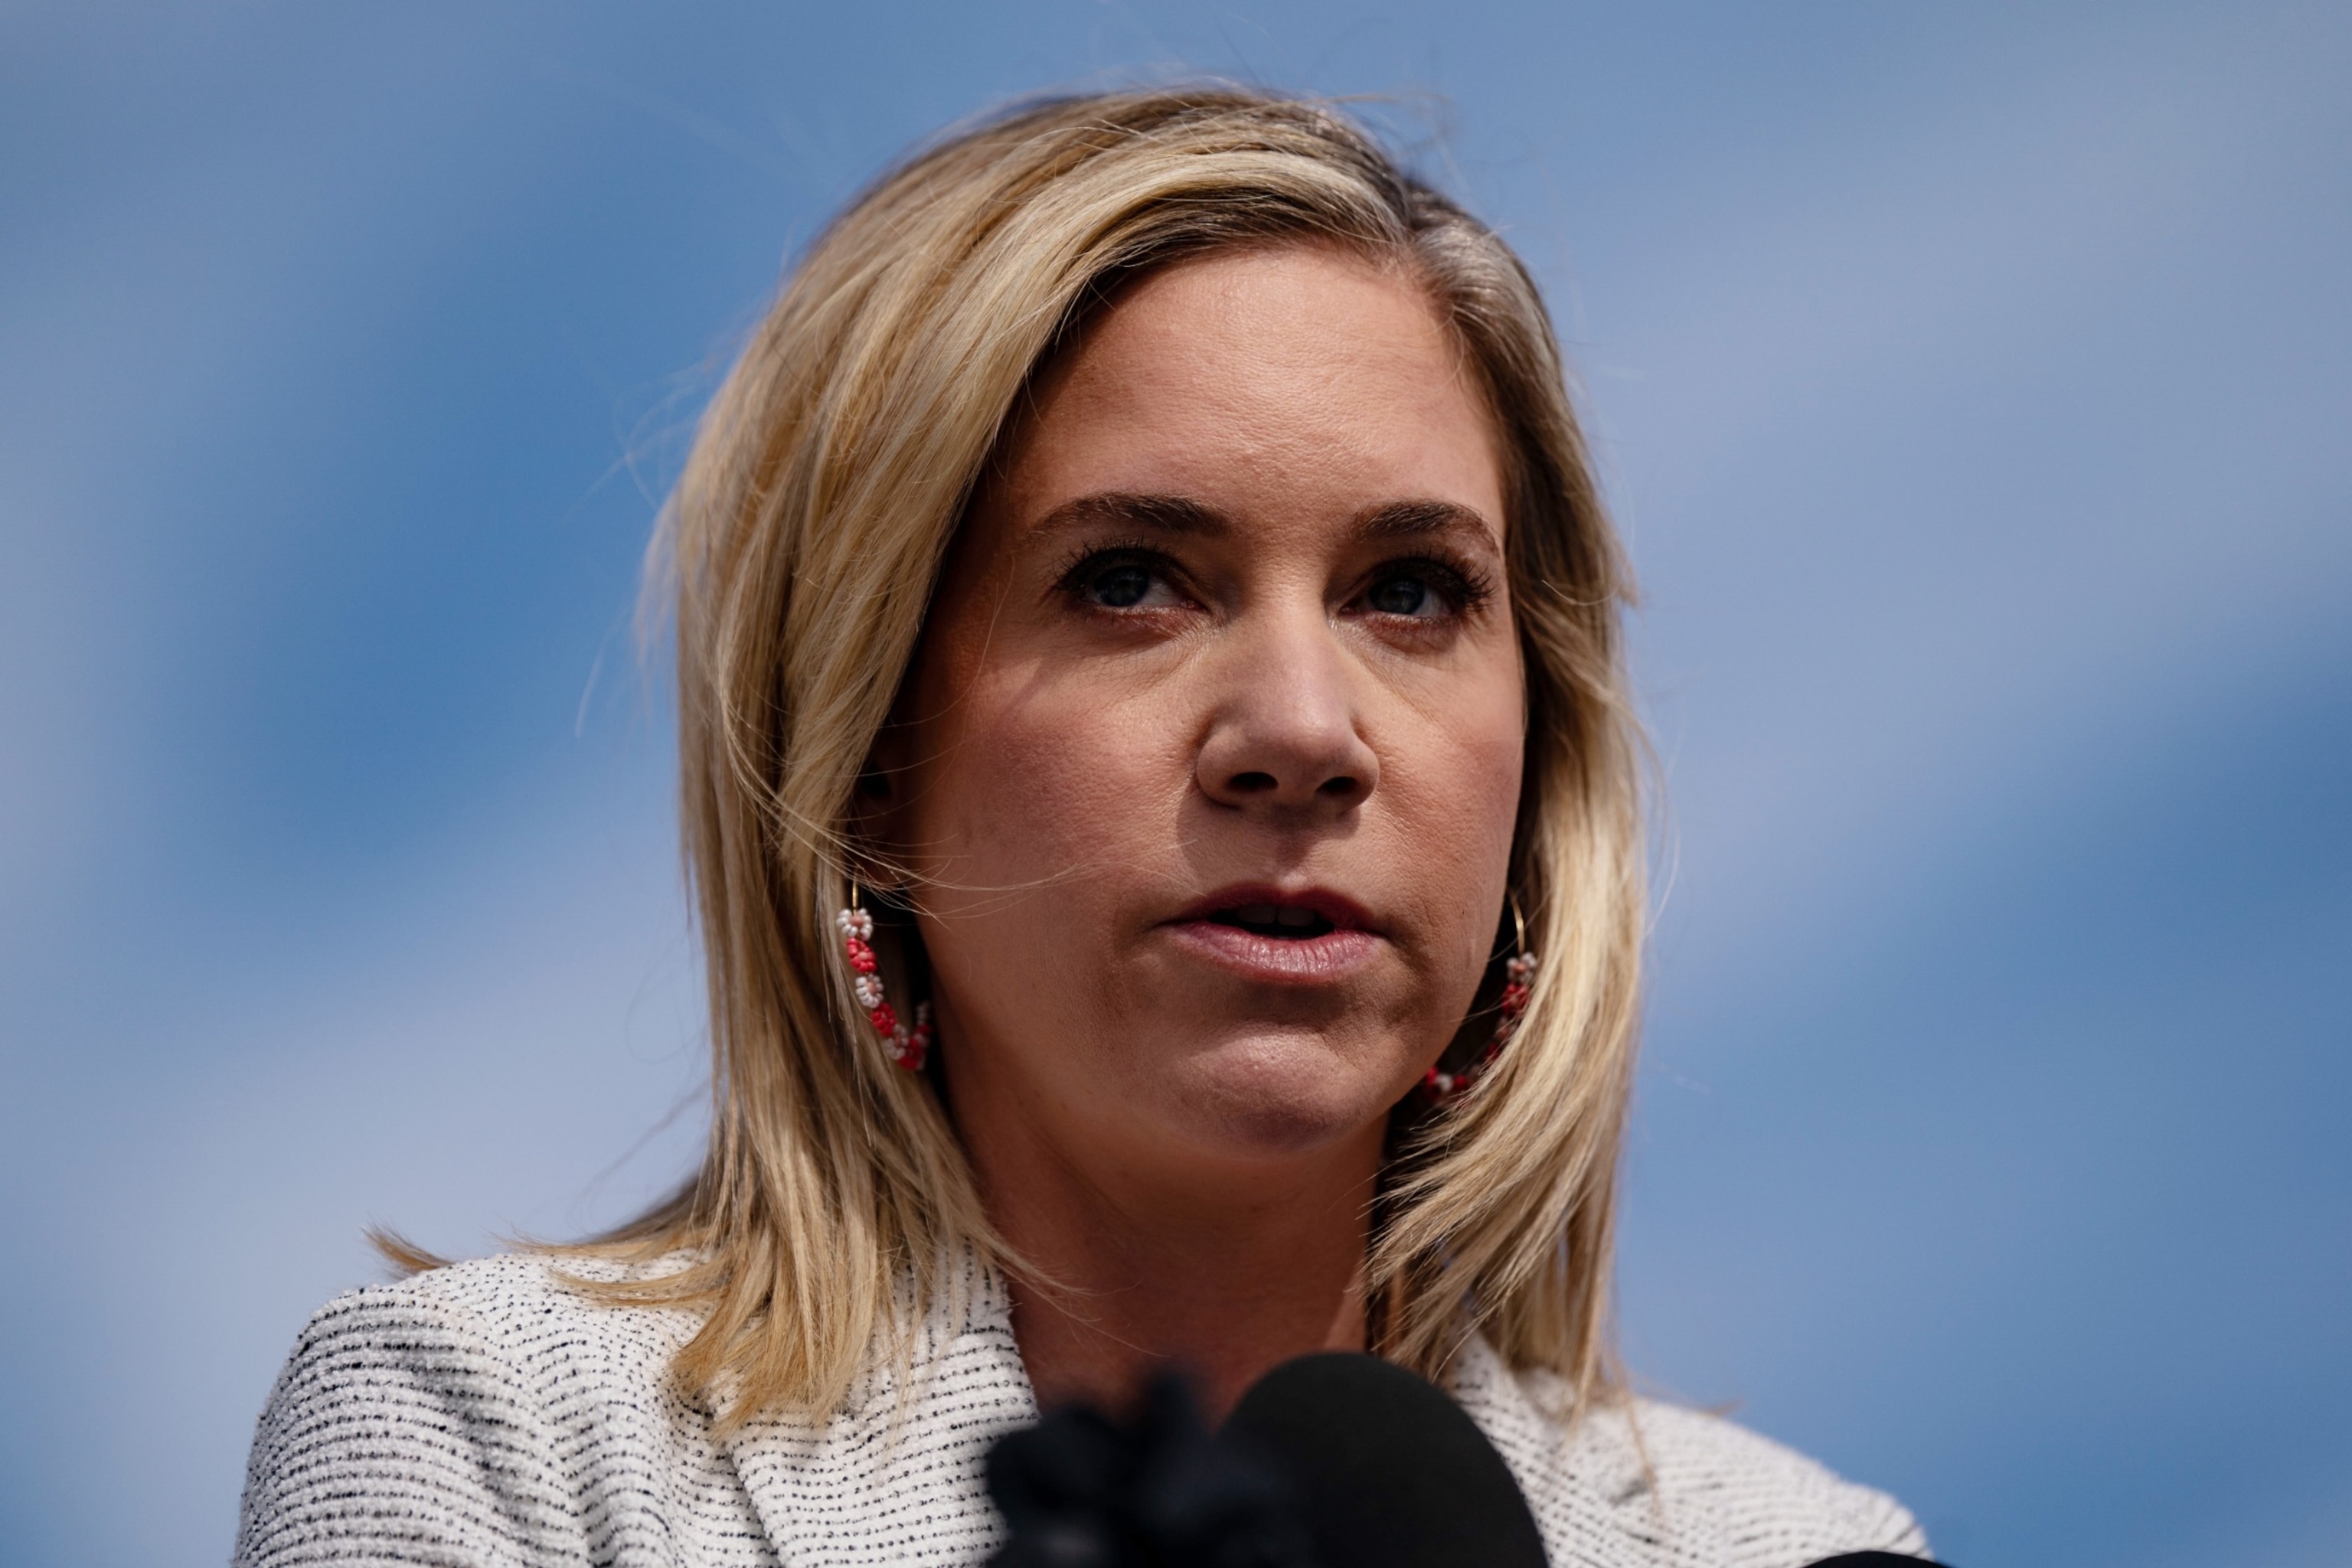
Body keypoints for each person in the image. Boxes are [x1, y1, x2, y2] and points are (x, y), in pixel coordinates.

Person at [234, 88, 1930, 1567]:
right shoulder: (498, 1447)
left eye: (1408, 592)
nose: (1301, 731)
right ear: (869, 753)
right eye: (1131, 582)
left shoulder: (1798, 1550)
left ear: (1537, 747)